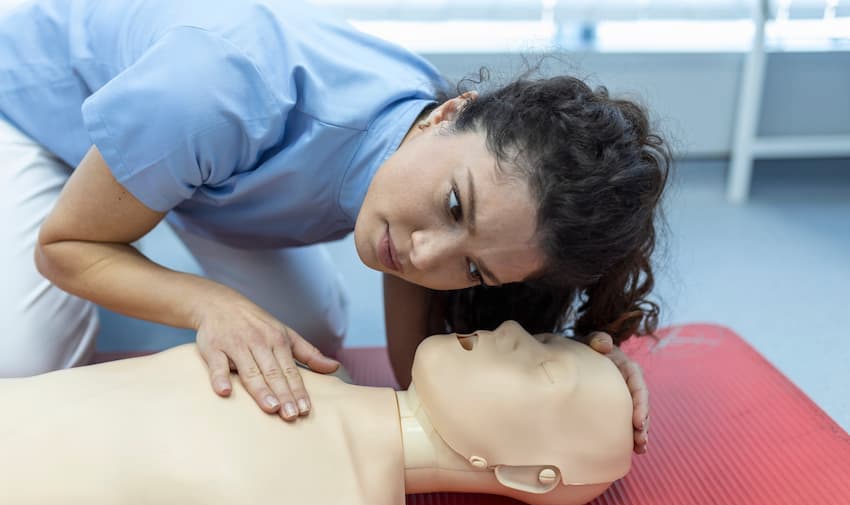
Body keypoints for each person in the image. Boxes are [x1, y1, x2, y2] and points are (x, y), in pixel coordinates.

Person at [0, 0, 662, 451]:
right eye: (455, 206)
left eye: (472, 268)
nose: (422, 253)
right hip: (36, 109)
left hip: (194, 161)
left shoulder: (433, 156)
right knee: (20, 360)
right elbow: (65, 245)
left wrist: (582, 371)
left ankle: (149, 192)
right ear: (450, 111)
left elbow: (416, 372)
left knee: (307, 342)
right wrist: (212, 306)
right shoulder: (213, 91)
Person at [0, 321, 633, 505]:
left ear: (532, 475)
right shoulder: (299, 365)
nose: (519, 331)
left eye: (547, 371)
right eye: (551, 342)